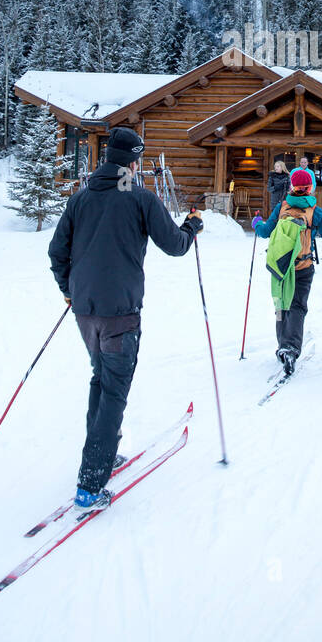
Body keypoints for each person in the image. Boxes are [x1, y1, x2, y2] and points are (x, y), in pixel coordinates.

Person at [48, 127, 203, 514]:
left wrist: (70, 290)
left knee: (102, 379)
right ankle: (90, 483)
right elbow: (176, 245)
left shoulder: (81, 198)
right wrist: (192, 227)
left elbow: (56, 252)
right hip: (120, 313)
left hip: (85, 311)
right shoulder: (139, 197)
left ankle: (104, 452)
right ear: (134, 161)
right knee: (113, 390)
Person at [251, 166, 322, 375]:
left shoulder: (282, 208)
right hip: (303, 266)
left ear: (292, 187)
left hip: (280, 266)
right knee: (298, 306)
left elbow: (264, 231)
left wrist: (256, 222)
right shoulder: (315, 211)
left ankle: (282, 344)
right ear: (310, 188)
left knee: (281, 305)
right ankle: (290, 348)